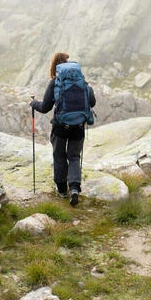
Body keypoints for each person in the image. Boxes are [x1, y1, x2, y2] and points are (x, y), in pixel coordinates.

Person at [30, 52, 96, 206]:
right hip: (78, 127)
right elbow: (92, 102)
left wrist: (33, 103)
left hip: (60, 127)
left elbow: (45, 107)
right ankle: (74, 188)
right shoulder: (83, 82)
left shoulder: (55, 83)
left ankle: (61, 190)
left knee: (59, 155)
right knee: (74, 157)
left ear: (55, 67)